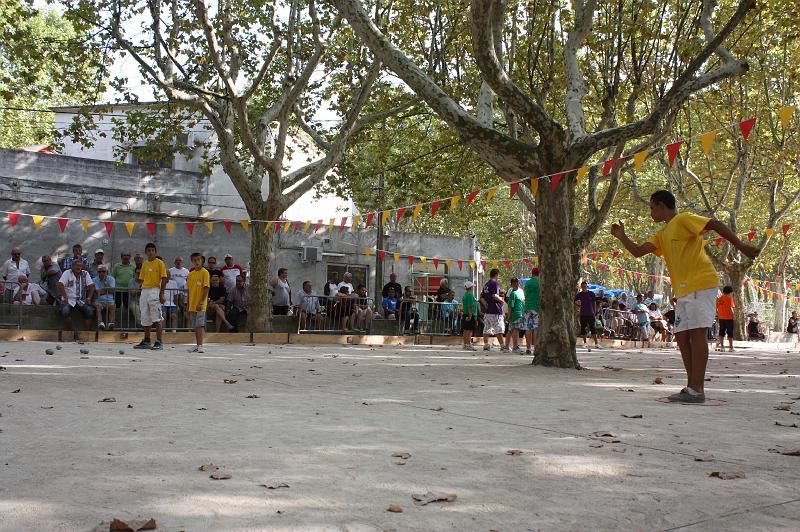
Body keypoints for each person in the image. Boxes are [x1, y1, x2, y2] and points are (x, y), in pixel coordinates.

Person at [611, 189, 759, 403]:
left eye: (652, 208)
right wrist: (622, 236)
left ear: (661, 205)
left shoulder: (683, 219)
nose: (651, 213)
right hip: (683, 290)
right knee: (681, 336)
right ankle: (692, 387)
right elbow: (638, 251)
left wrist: (742, 246)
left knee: (698, 334)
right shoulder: (662, 234)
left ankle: (696, 389)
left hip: (701, 282)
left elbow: (714, 224)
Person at [134, 243, 168, 350]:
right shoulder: (144, 264)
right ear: (146, 252)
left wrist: (161, 293)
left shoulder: (160, 263)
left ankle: (159, 341)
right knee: (144, 316)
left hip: (155, 290)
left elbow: (164, 279)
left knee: (157, 317)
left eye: (153, 250)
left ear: (155, 252)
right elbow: (142, 279)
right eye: (149, 250)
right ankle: (147, 340)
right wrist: (141, 288)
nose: (151, 252)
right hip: (145, 291)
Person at [57, 260, 95, 332]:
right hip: (69, 300)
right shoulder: (67, 273)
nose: (78, 267)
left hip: (81, 300)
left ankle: (87, 333)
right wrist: (65, 297)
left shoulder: (85, 274)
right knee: (65, 311)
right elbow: (60, 284)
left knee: (90, 311)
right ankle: (70, 331)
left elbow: (92, 286)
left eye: (80, 266)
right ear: (72, 266)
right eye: (76, 265)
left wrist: (89, 297)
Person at [187, 252, 210, 353]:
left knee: (200, 325)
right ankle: (197, 345)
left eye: (198, 260)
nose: (196, 262)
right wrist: (187, 304)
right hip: (192, 304)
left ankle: (201, 345)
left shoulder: (205, 272)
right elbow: (189, 290)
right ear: (192, 261)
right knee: (195, 326)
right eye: (194, 260)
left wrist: (201, 302)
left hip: (201, 304)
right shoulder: (191, 274)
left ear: (202, 261)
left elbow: (206, 288)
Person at [480, 268, 505, 351]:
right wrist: (502, 300)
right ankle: (502, 346)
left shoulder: (486, 284)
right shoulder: (495, 283)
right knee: (498, 328)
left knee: (486, 328)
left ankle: (486, 345)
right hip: (495, 310)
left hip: (488, 311)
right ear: (496, 274)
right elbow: (494, 295)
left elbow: (482, 297)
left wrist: (485, 304)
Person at [575, 281, 601, 349]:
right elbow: (575, 301)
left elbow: (594, 303)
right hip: (583, 314)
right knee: (583, 328)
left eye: (585, 286)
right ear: (581, 287)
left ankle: (596, 344)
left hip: (590, 313)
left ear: (587, 287)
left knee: (593, 328)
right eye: (583, 286)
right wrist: (578, 306)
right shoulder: (579, 294)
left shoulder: (591, 293)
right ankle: (585, 343)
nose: (584, 288)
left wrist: (595, 312)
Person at [522, 267, 541, 356]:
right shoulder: (540, 282)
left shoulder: (528, 283)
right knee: (536, 328)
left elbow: (525, 294)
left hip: (527, 307)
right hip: (537, 307)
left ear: (532, 273)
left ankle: (528, 348)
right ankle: (536, 348)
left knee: (528, 328)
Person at [92, 265, 116, 330]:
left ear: (107, 272)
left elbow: (112, 291)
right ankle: (100, 323)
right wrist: (108, 290)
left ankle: (110, 324)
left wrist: (106, 284)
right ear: (97, 272)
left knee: (112, 306)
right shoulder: (94, 280)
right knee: (98, 306)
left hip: (109, 300)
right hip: (98, 300)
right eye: (99, 272)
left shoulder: (111, 279)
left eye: (103, 271)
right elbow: (98, 292)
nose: (101, 273)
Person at [504, 278, 525, 352]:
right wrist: (508, 315)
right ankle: (514, 347)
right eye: (514, 283)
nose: (516, 285)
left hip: (519, 313)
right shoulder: (512, 292)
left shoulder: (520, 291)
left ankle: (510, 346)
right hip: (514, 314)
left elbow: (522, 302)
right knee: (514, 330)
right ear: (511, 284)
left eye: (517, 283)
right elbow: (510, 305)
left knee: (513, 330)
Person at [716, 285, 736, 352]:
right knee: (730, 332)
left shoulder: (719, 299)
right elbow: (731, 308)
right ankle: (731, 347)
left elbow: (717, 309)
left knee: (721, 332)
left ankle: (722, 347)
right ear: (730, 292)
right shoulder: (729, 298)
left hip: (721, 318)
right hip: (729, 318)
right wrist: (733, 315)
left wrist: (719, 315)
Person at [461, 281, 478, 350]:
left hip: (465, 314)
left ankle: (465, 344)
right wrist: (470, 316)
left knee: (465, 330)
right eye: (472, 287)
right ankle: (468, 344)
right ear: (470, 287)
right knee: (469, 330)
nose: (473, 288)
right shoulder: (470, 295)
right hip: (470, 314)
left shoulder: (465, 294)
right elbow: (470, 306)